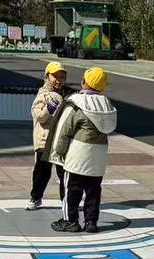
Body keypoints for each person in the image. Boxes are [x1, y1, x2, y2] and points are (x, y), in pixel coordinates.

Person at [46, 67, 118, 234]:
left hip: (78, 154)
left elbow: (65, 131)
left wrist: (59, 152)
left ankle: (70, 221)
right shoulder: (106, 105)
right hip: (99, 155)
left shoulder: (76, 103)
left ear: (84, 81)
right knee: (94, 190)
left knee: (73, 188)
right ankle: (91, 222)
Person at [27, 61, 68, 210]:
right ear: (47, 77)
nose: (58, 79)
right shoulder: (43, 94)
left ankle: (67, 200)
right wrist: (48, 109)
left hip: (61, 140)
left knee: (64, 172)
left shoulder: (67, 94)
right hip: (44, 141)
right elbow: (38, 116)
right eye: (55, 76)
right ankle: (35, 198)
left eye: (62, 76)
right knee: (41, 172)